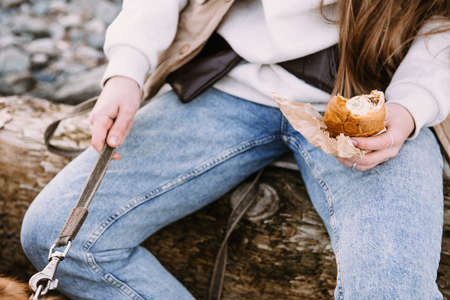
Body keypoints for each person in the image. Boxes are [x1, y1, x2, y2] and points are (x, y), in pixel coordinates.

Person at [21, 0, 450, 299]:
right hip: (227, 84)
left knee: (391, 289)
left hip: (377, 99)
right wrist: (127, 72)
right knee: (57, 234)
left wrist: (411, 108)